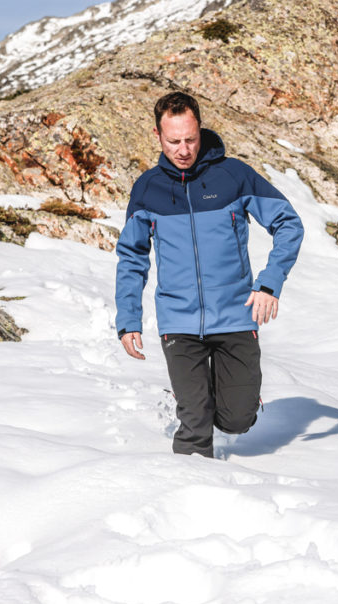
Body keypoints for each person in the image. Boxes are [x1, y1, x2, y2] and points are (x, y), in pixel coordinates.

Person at [115, 91, 304, 458]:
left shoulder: (234, 176)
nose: (183, 149)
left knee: (237, 420)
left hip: (235, 313)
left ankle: (225, 394)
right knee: (196, 422)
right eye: (173, 141)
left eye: (190, 139)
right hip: (179, 319)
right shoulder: (147, 189)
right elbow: (132, 257)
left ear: (200, 130)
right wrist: (128, 317)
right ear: (158, 136)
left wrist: (269, 283)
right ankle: (189, 494)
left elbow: (288, 224)